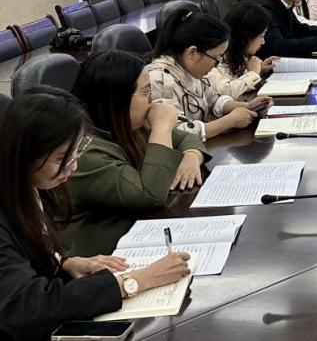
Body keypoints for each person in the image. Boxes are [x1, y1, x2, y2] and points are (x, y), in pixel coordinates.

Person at [0, 88, 192, 341]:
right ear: (23, 153)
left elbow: (23, 258)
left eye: (76, 152)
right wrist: (133, 281)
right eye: (61, 158)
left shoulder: (29, 186)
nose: (73, 166)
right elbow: (24, 307)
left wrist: (63, 264)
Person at [62, 51, 211, 257]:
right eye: (145, 92)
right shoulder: (85, 153)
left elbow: (186, 139)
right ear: (117, 99)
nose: (152, 99)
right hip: (103, 253)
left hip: (139, 231)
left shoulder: (126, 125)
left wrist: (192, 156)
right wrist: (161, 126)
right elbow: (150, 195)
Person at [146, 7, 270, 140]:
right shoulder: (159, 80)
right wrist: (227, 122)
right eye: (216, 58)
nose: (216, 65)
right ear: (192, 53)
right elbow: (174, 133)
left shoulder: (188, 68)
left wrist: (248, 107)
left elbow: (213, 99)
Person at [208, 1, 277, 98]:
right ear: (246, 36)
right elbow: (225, 92)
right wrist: (253, 73)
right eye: (261, 36)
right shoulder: (216, 55)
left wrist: (260, 70)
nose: (263, 42)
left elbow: (236, 81)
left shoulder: (238, 54)